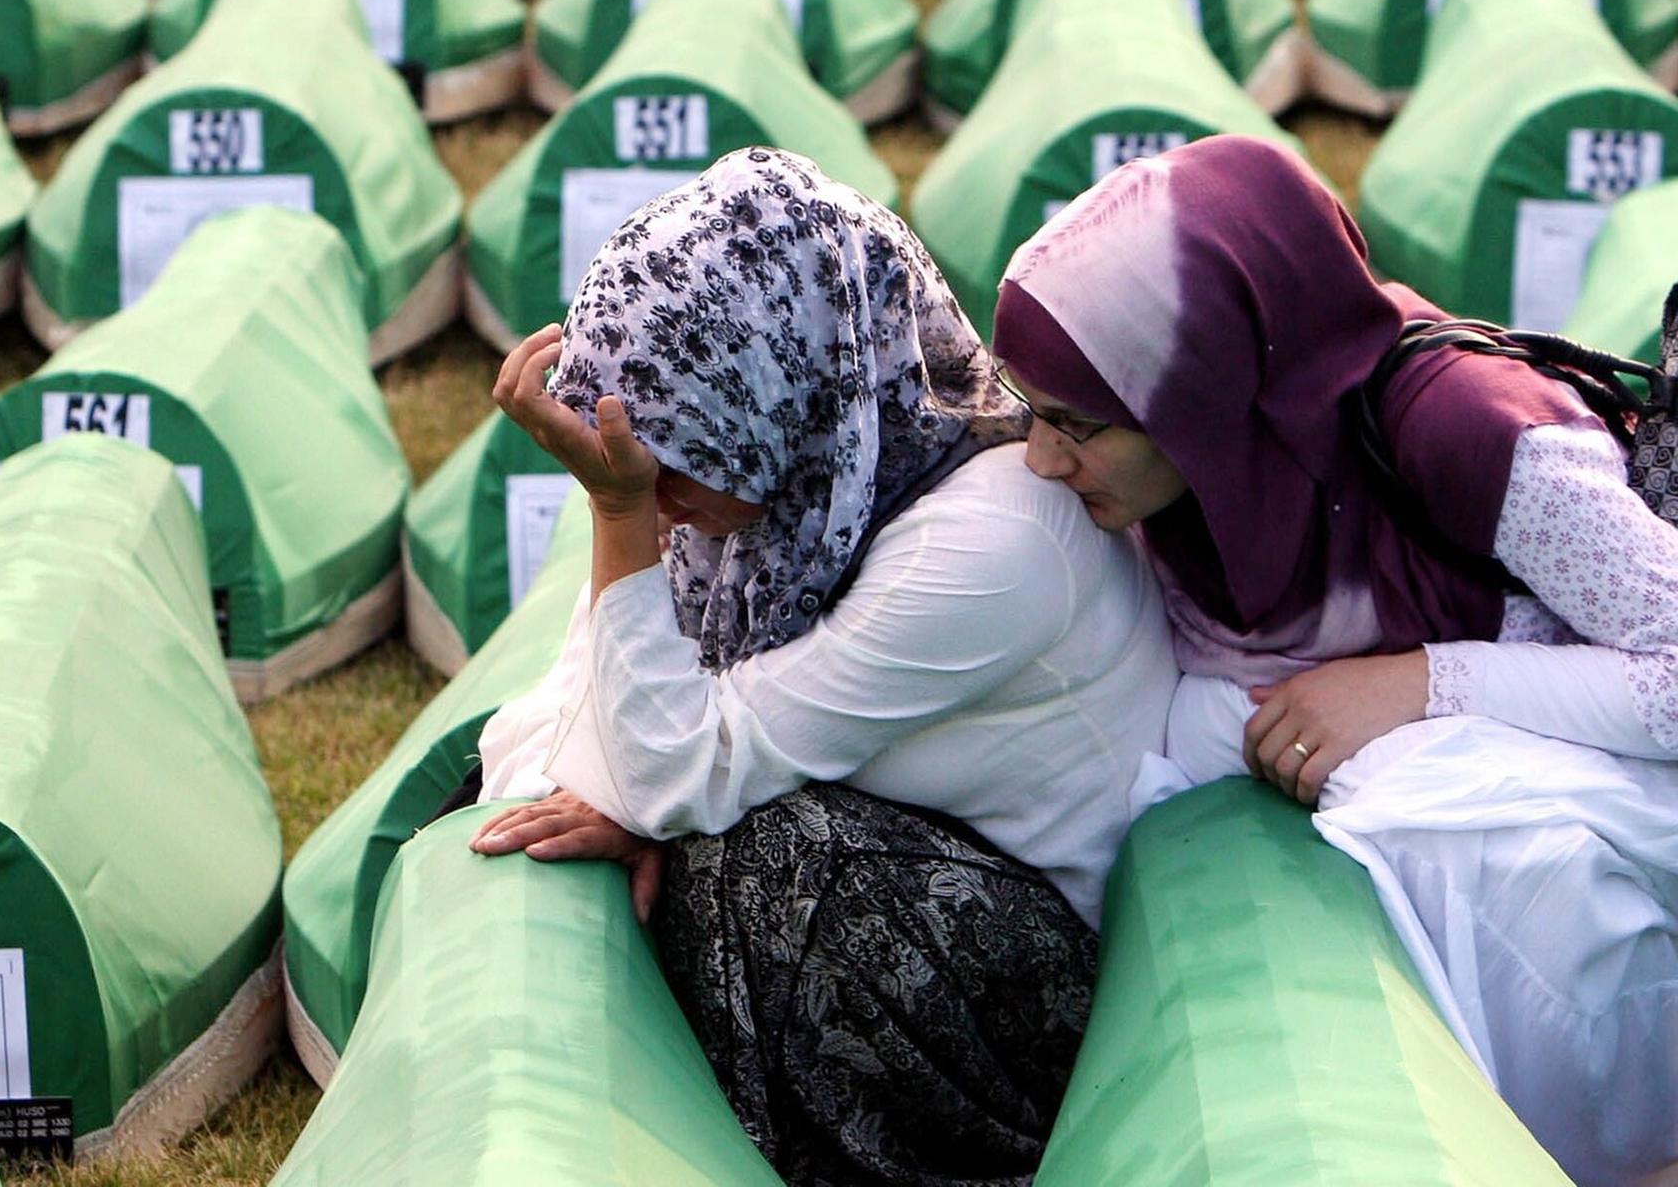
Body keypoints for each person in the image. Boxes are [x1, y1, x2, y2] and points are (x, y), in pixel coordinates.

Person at [469, 147, 1177, 1187]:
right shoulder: (787, 502)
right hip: (933, 886)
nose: (652, 488)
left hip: (1058, 988)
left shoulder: (990, 547)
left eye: (672, 452)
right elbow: (567, 719)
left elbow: (664, 773)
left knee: (770, 858)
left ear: (777, 387)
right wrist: (642, 793)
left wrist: (616, 516)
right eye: (629, 457)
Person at [991, 132, 1678, 1187]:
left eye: (1078, 424)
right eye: (1032, 413)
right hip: (1523, 740)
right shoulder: (1203, 478)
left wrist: (1423, 682)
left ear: (1204, 387)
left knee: (1444, 822)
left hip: (1625, 768)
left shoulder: (1468, 430)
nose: (1041, 459)